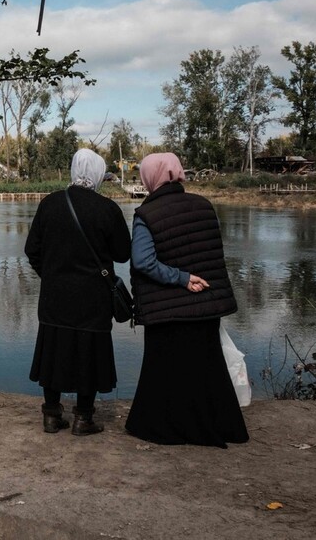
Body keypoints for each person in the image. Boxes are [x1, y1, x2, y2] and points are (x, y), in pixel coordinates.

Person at [125, 152, 249, 448]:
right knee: (206, 369)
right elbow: (210, 254)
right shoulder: (203, 205)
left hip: (166, 308)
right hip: (206, 304)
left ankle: (166, 429)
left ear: (150, 177)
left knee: (165, 371)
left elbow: (142, 261)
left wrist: (180, 278)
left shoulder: (147, 214)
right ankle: (218, 426)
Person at [25, 149, 131, 435]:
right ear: (98, 173)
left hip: (54, 295)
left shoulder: (49, 204)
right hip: (93, 298)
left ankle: (51, 416)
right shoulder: (108, 209)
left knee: (54, 349)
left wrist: (50, 275)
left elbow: (31, 250)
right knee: (89, 352)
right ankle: (83, 418)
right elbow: (123, 254)